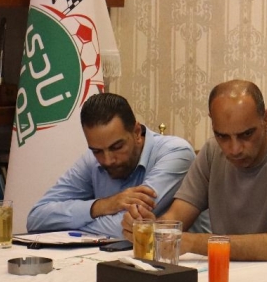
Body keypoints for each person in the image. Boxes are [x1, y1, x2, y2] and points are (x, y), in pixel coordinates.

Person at [122, 80, 267, 261]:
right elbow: (176, 217)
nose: (234, 149)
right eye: (222, 136)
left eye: (246, 134)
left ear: (266, 119)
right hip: (224, 273)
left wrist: (190, 242)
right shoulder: (212, 152)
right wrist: (151, 227)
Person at [26, 93, 196, 238]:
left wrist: (67, 226)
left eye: (117, 147)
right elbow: (36, 218)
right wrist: (102, 206)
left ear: (137, 133)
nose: (107, 160)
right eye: (97, 151)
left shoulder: (175, 152)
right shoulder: (91, 159)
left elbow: (124, 230)